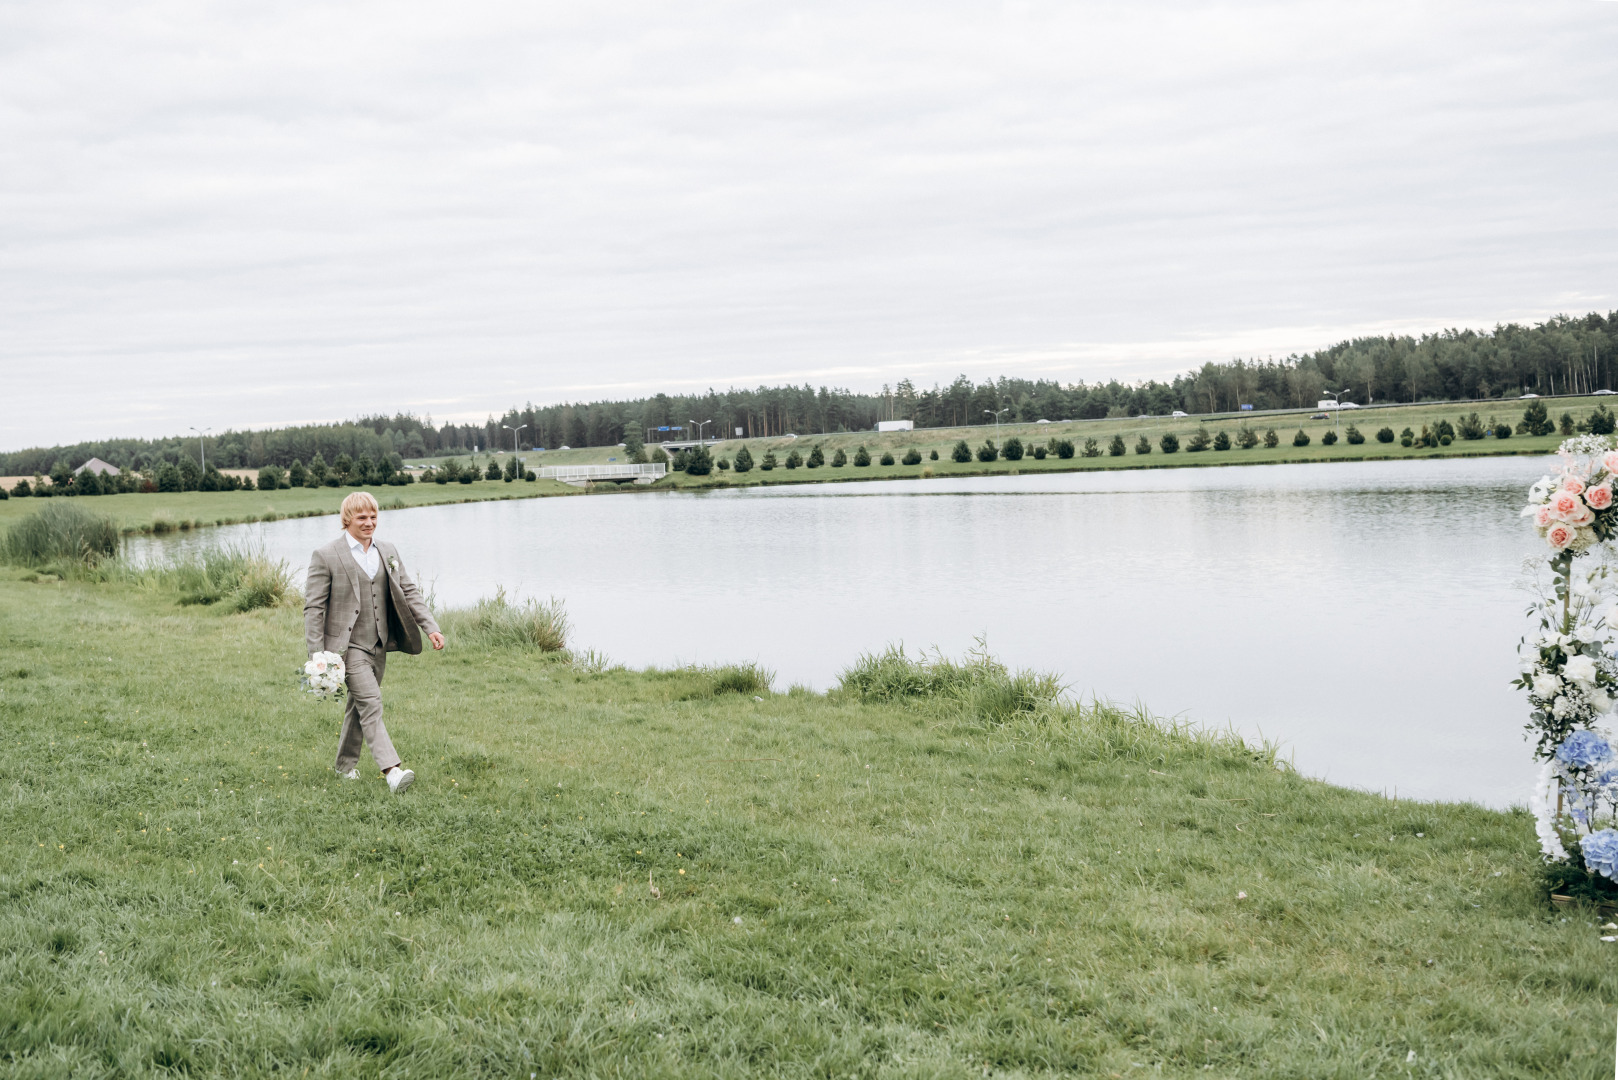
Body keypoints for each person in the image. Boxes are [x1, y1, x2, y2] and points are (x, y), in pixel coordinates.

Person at [304, 491, 444, 792]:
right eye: (362, 517)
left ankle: (344, 766)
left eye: (373, 517)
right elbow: (314, 608)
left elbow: (408, 591)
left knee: (359, 705)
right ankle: (392, 771)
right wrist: (316, 655)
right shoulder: (326, 555)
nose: (369, 523)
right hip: (347, 646)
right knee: (371, 702)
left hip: (379, 644)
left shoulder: (388, 550)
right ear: (347, 520)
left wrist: (429, 626)